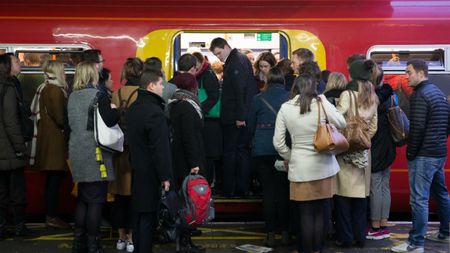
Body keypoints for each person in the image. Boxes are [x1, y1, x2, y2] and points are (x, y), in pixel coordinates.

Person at [273, 76, 346, 253]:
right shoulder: (321, 103)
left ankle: (305, 250)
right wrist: (324, 102)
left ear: (294, 88)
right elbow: (342, 123)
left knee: (305, 213)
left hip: (300, 168)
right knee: (320, 212)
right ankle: (317, 250)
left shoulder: (285, 108)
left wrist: (291, 156)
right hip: (324, 166)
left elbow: (278, 142)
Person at [391, 60, 450, 253]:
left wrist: (410, 153)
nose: (406, 77)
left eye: (409, 72)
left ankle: (415, 243)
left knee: (419, 200)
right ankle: (446, 233)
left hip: (424, 155)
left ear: (420, 73)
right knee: (441, 194)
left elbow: (417, 129)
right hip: (438, 153)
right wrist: (438, 140)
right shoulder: (438, 94)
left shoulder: (419, 95)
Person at [68, 61, 119, 253]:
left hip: (77, 152)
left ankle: (78, 243)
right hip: (95, 154)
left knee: (83, 199)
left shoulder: (72, 96)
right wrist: (115, 109)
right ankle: (93, 244)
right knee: (96, 200)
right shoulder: (99, 96)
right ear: (92, 75)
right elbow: (110, 120)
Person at [126, 69, 171, 253]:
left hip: (137, 169)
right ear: (151, 86)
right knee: (148, 219)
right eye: (161, 84)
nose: (163, 88)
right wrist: (165, 176)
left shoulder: (134, 108)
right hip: (150, 173)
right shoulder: (155, 113)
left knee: (138, 216)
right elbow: (160, 149)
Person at [335, 60, 379, 248]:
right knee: (360, 199)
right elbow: (374, 127)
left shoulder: (347, 94)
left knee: (343, 199)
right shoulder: (372, 97)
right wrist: (363, 139)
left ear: (352, 75)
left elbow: (337, 119)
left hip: (346, 152)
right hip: (363, 154)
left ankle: (346, 238)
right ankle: (360, 237)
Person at [209, 37, 258, 197]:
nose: (219, 57)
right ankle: (241, 187)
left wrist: (240, 116)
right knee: (241, 151)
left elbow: (240, 90)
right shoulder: (241, 59)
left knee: (231, 152)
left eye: (219, 53)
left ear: (225, 47)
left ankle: (231, 189)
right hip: (240, 115)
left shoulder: (235, 62)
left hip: (234, 118)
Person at [248, 67, 290, 247]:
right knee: (283, 193)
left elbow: (250, 126)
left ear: (268, 81)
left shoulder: (257, 99)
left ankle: (270, 233)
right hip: (283, 151)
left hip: (262, 151)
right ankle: (286, 232)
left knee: (268, 192)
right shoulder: (290, 99)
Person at [31, 60, 71, 229]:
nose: (64, 73)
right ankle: (52, 217)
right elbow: (60, 118)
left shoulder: (45, 88)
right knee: (54, 182)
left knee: (51, 182)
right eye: (62, 70)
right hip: (55, 143)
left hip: (47, 141)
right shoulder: (55, 90)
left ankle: (51, 215)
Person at [168, 72, 205, 253]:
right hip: (187, 162)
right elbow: (189, 137)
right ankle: (185, 242)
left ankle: (184, 239)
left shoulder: (176, 104)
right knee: (188, 203)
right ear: (193, 87)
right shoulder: (187, 107)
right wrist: (195, 162)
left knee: (184, 201)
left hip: (179, 159)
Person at [110, 57, 144, 253]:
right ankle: (132, 238)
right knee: (133, 196)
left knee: (119, 198)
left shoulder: (116, 94)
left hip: (118, 152)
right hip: (136, 152)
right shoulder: (142, 94)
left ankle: (120, 237)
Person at [0, 54, 30, 238]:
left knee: (1, 192)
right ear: (7, 66)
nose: (20, 63)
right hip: (10, 150)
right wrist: (20, 147)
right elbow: (11, 122)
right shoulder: (9, 88)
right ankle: (19, 226)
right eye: (17, 61)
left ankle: (2, 227)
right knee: (17, 191)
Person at [367, 63, 396, 240]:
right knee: (385, 184)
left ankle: (376, 225)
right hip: (389, 144)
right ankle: (384, 220)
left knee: (375, 185)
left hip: (376, 144)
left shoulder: (371, 97)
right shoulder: (391, 94)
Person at [192, 52, 222, 186]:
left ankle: (209, 182)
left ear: (201, 62)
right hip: (205, 119)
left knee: (208, 154)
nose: (194, 69)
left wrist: (201, 109)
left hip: (209, 120)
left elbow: (214, 96)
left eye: (196, 65)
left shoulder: (207, 75)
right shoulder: (202, 75)